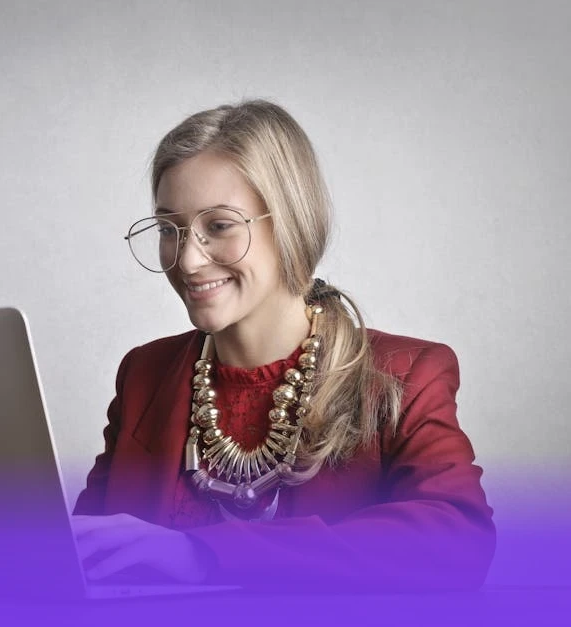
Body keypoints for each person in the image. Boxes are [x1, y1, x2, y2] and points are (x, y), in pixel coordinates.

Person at [71, 100, 495, 590]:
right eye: (170, 229)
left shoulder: (406, 373)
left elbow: (457, 542)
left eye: (219, 226)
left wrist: (202, 554)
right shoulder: (144, 374)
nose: (187, 260)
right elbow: (89, 552)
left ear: (289, 221)